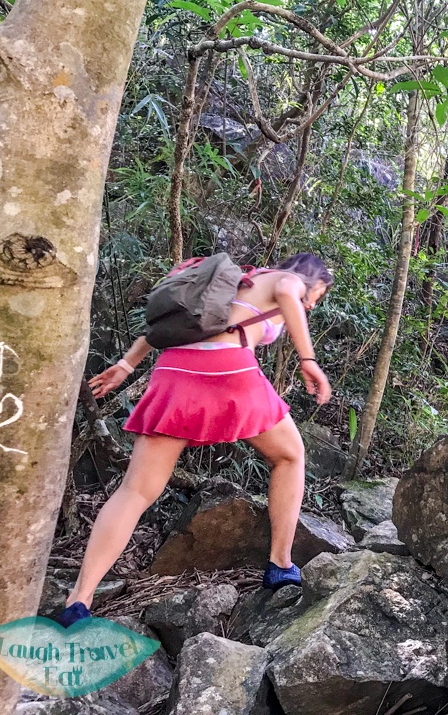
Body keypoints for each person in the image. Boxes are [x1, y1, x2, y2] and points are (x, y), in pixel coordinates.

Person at [56, 253, 333, 628]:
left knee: (135, 491)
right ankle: (280, 565)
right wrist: (308, 359)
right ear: (312, 279)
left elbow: (173, 324)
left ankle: (80, 598)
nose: (311, 304)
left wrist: (126, 364)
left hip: (173, 370)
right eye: (316, 296)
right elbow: (287, 289)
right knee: (290, 456)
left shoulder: (233, 280)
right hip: (228, 370)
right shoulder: (288, 280)